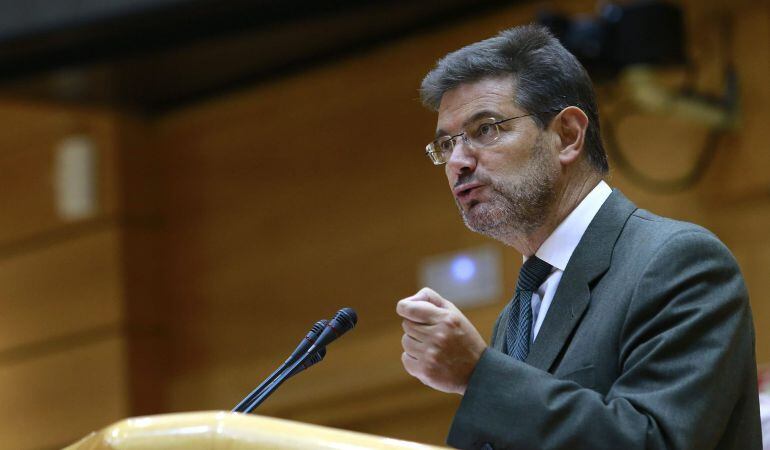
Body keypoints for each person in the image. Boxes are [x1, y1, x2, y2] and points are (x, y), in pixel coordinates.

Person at [396, 25, 762, 450]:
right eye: (446, 144)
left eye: (486, 129)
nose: (458, 161)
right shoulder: (514, 318)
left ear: (567, 135)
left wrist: (480, 374)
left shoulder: (677, 262)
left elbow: (655, 442)